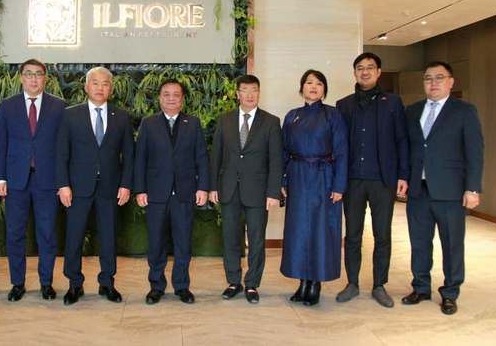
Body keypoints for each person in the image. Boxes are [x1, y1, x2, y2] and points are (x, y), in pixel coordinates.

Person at [402, 61, 484, 315]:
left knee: (452, 245)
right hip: (418, 190)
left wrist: (472, 188)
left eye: (439, 78)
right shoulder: (413, 111)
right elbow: (407, 149)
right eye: (428, 79)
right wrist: (403, 178)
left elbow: (475, 151)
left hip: (450, 191)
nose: (433, 83)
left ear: (451, 81)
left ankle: (450, 292)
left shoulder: (465, 111)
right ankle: (421, 287)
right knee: (419, 243)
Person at [335, 52, 409, 308]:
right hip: (353, 180)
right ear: (354, 73)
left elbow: (402, 140)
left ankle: (380, 285)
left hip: (383, 180)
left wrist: (403, 175)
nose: (364, 72)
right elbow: (339, 145)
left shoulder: (393, 102)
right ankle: (352, 282)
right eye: (360, 68)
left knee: (382, 235)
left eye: (370, 68)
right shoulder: (343, 105)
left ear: (379, 72)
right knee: (352, 235)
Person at [56, 67, 134, 305]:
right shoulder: (70, 115)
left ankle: (107, 283)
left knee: (109, 237)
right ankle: (74, 284)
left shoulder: (121, 116)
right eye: (96, 83)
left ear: (111, 88)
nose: (100, 88)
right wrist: (63, 185)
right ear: (86, 86)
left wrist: (126, 184)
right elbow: (61, 153)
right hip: (77, 187)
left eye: (105, 84)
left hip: (110, 187)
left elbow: (129, 155)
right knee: (74, 236)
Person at [0, 59, 66, 302]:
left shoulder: (59, 106)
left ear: (45, 78)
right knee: (15, 234)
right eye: (28, 74)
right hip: (15, 180)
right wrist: (0, 178)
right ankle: (17, 283)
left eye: (38, 74)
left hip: (47, 180)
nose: (33, 79)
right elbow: (0, 143)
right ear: (21, 78)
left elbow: (63, 146)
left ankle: (46, 282)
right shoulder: (7, 105)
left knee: (47, 233)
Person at [134, 79, 210, 305]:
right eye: (166, 94)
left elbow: (201, 158)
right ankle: (156, 286)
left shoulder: (193, 123)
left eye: (176, 94)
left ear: (182, 98)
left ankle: (181, 286)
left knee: (183, 243)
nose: (171, 98)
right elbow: (140, 160)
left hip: (185, 193)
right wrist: (140, 190)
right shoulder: (148, 123)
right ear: (159, 98)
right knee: (156, 243)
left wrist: (203, 187)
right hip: (156, 193)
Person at [209, 75, 282, 304]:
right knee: (230, 237)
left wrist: (273, 192)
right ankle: (233, 281)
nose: (249, 94)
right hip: (229, 188)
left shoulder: (271, 121)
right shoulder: (225, 120)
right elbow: (216, 156)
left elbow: (276, 160)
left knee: (257, 239)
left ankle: (252, 284)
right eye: (245, 89)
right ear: (237, 93)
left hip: (259, 191)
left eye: (254, 89)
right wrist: (213, 187)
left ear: (259, 93)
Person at [280, 70, 348, 306]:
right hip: (298, 177)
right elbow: (283, 152)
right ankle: (302, 282)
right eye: (309, 82)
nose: (313, 87)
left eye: (319, 83)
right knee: (299, 230)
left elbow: (341, 151)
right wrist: (282, 180)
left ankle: (315, 283)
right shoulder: (292, 116)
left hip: (323, 177)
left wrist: (339, 185)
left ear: (324, 90)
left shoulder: (333, 115)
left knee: (321, 230)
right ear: (302, 88)